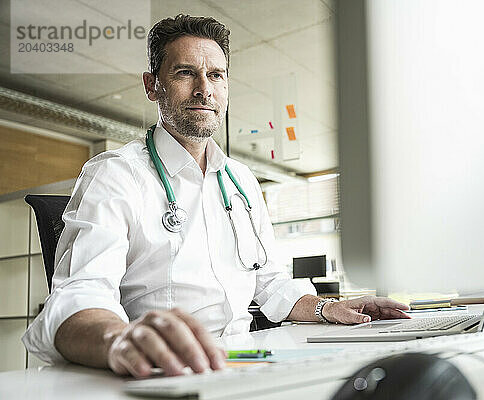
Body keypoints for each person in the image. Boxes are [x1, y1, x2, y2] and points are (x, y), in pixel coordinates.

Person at [22, 14, 410, 378]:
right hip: (166, 368)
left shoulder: (240, 180)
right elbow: (78, 295)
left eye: (216, 75)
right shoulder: (115, 174)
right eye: (185, 72)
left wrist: (329, 308)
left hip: (247, 359)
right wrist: (117, 337)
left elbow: (270, 282)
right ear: (152, 85)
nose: (203, 89)